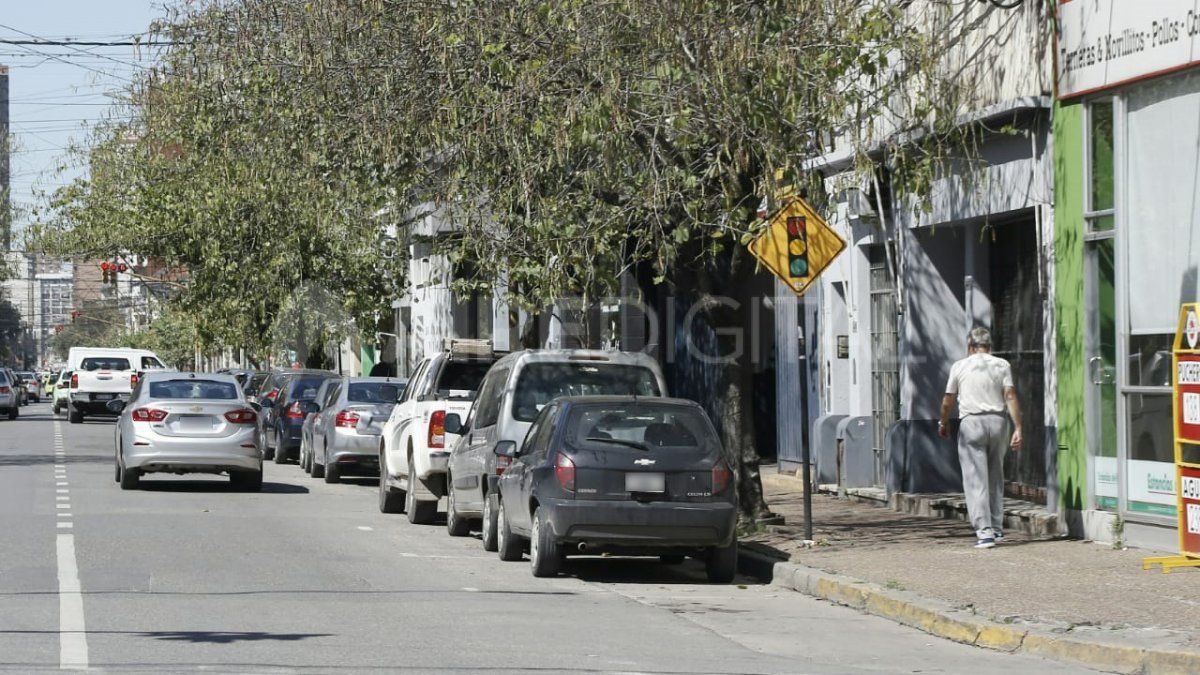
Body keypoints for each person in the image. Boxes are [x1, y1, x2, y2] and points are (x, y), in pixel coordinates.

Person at [938, 327, 1022, 549]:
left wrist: (943, 422)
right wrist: (1018, 427)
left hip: (971, 423)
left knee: (976, 480)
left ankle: (984, 532)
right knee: (995, 476)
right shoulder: (1002, 365)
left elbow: (948, 399)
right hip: (998, 422)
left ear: (969, 346)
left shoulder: (960, 366)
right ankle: (996, 527)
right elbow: (1010, 395)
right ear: (989, 346)